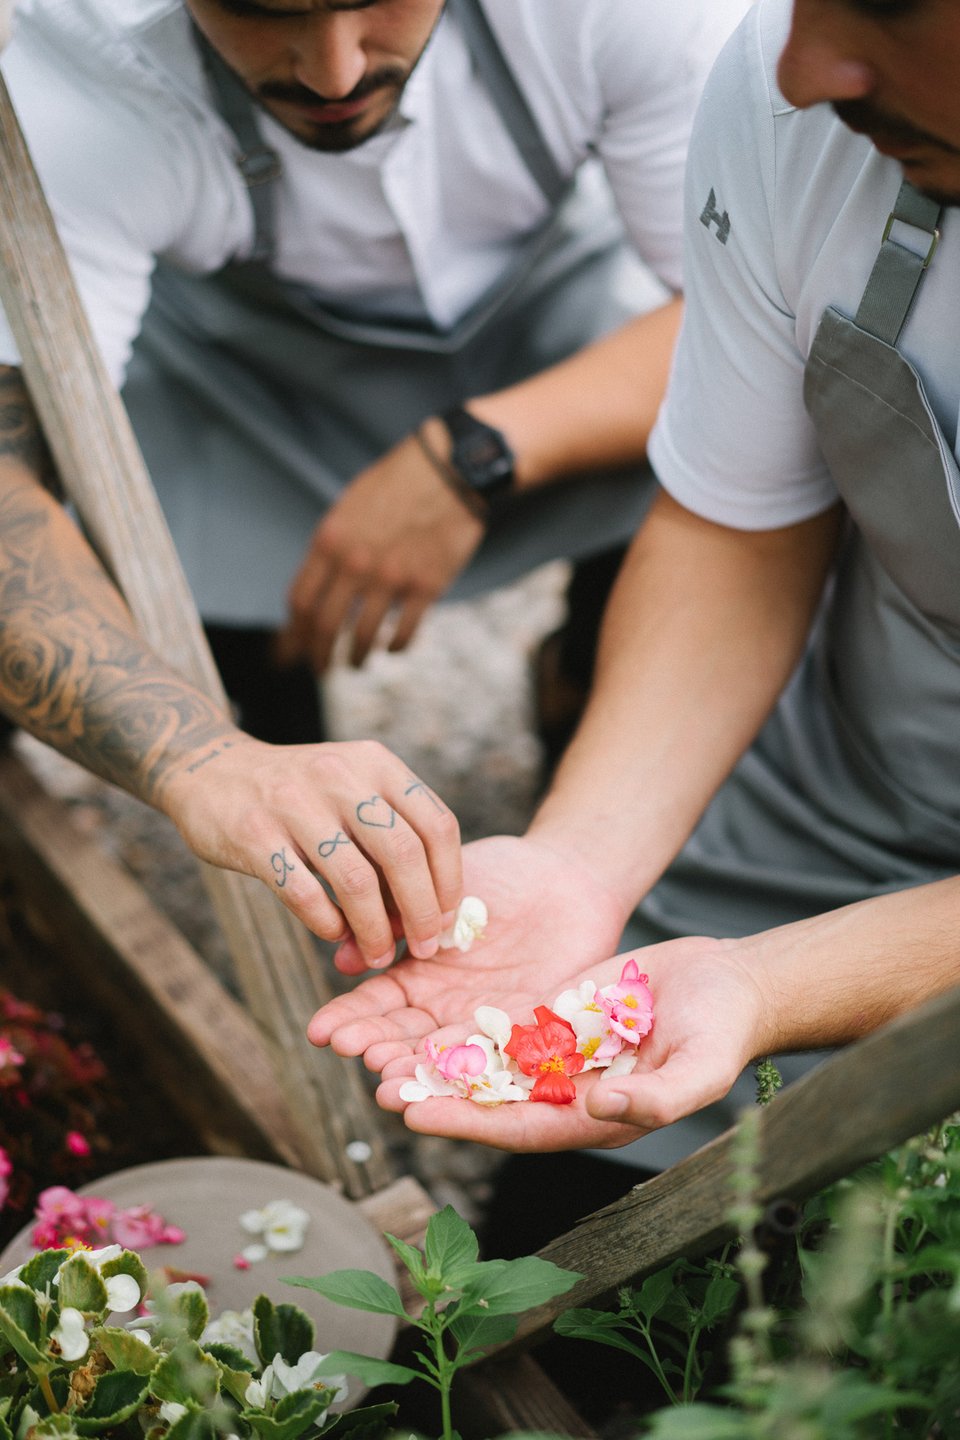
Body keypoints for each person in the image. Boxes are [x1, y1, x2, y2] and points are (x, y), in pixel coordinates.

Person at [309, 0, 960, 1160]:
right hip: (835, 795)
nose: (804, 68)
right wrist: (581, 861)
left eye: (889, 2)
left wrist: (770, 988)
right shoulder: (788, 92)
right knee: (574, 1283)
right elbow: (738, 527)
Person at [0, 0, 745, 965]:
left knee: (720, 463)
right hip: (244, 355)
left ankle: (591, 725)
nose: (333, 75)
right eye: (262, 12)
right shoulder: (76, 64)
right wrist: (201, 758)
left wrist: (469, 457)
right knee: (186, 557)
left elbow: (753, 327)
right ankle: (289, 779)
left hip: (550, 307)